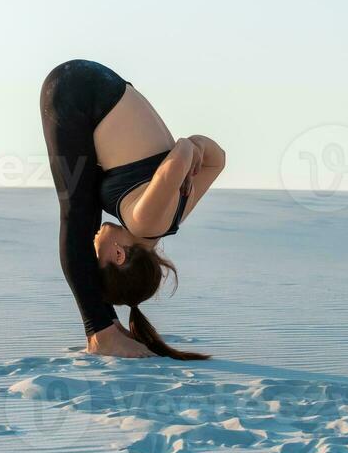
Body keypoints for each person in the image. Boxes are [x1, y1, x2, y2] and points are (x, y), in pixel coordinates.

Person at [39, 59, 225, 360]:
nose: (96, 241)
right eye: (96, 255)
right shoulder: (144, 222)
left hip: (95, 87)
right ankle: (101, 332)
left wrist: (198, 147)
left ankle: (106, 324)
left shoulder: (173, 216)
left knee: (82, 212)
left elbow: (217, 160)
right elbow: (179, 160)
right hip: (77, 90)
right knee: (76, 218)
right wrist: (190, 148)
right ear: (118, 255)